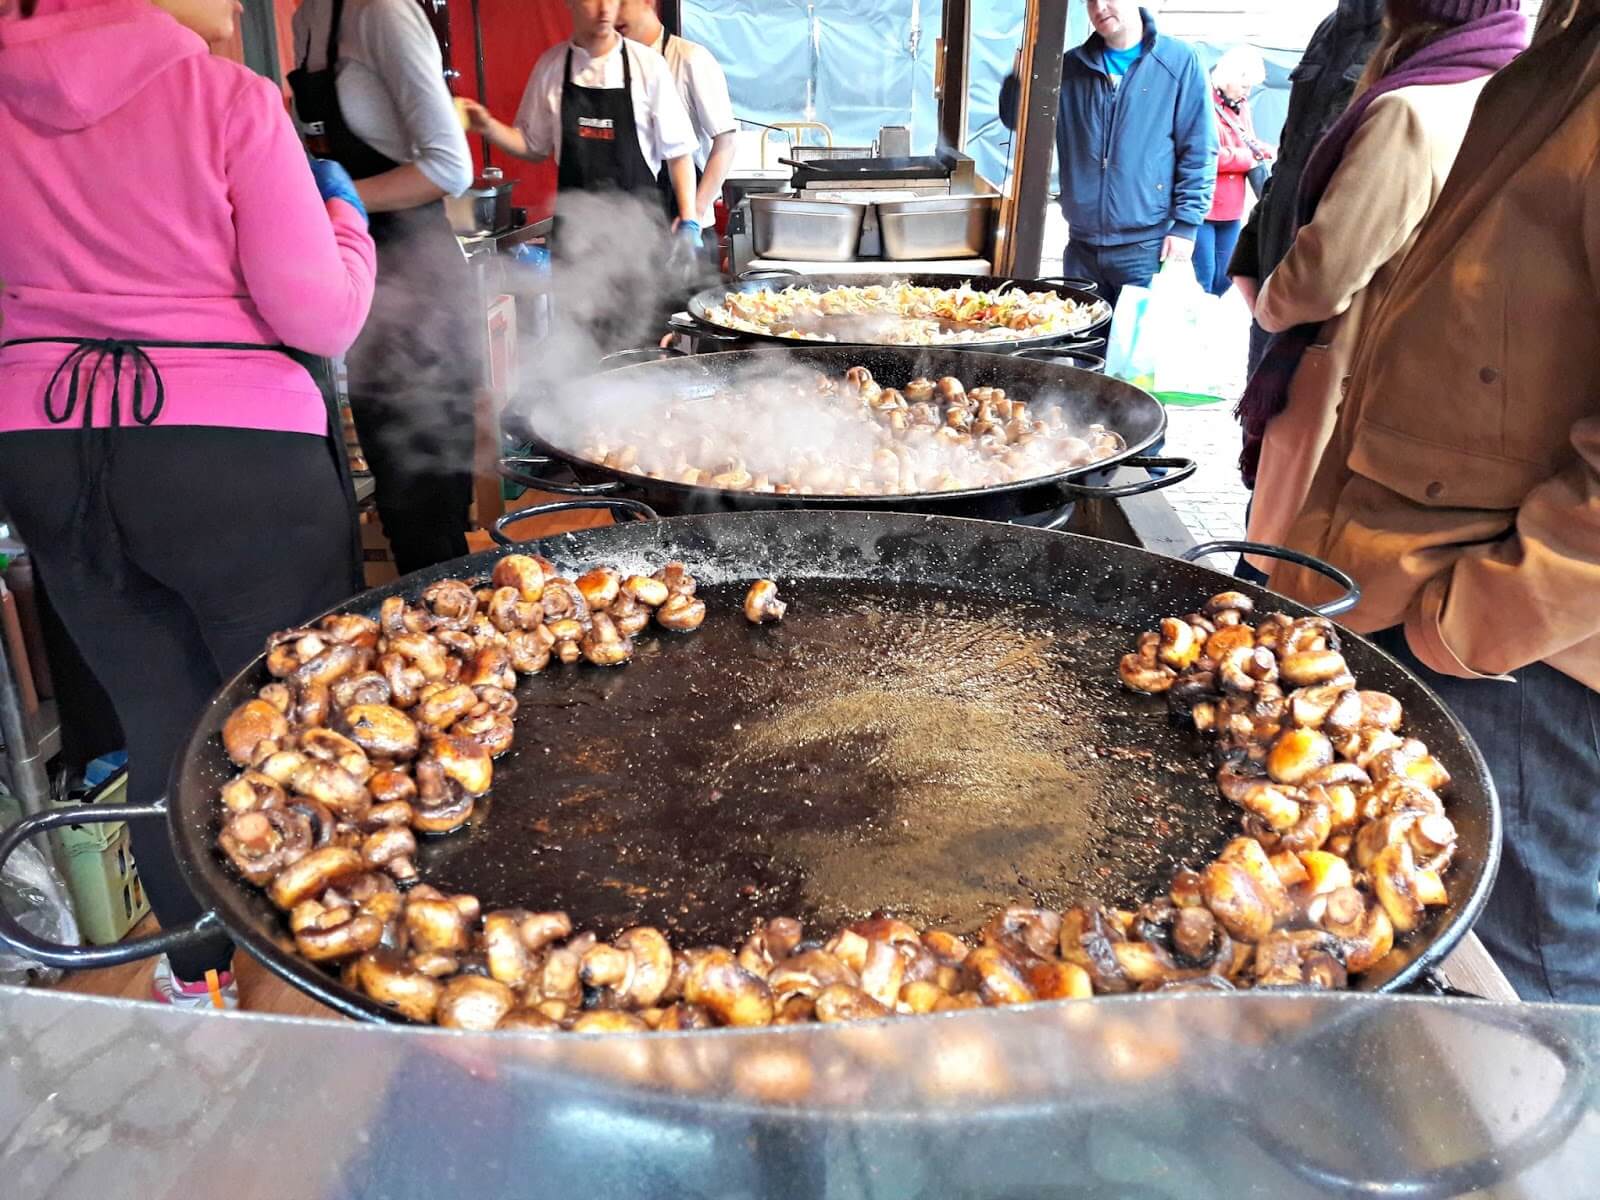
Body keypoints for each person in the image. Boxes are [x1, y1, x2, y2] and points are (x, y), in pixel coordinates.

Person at [0, 0, 375, 1006]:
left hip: (45, 445)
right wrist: (343, 221)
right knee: (302, 717)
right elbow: (320, 314)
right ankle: (332, 979)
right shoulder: (227, 100)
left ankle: (196, 983)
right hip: (232, 454)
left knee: (161, 719)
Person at [1268, 0, 1599, 1003]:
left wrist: (1473, 625)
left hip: (1522, 660)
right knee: (1415, 951)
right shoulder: (1560, 53)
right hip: (1427, 599)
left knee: (1520, 980)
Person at [1235, 0, 1528, 579]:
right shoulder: (1507, 91)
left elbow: (1321, 277)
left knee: (1281, 570)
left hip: (1340, 371)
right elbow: (1291, 158)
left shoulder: (1409, 111)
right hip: (1410, 388)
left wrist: (1269, 303)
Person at [290, 0, 478, 577]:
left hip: (421, 291)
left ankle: (447, 621)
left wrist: (336, 198)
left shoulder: (382, 13)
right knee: (399, 502)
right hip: (367, 285)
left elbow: (450, 167)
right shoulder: (307, 19)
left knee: (426, 508)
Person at [460, 0, 702, 351]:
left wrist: (690, 219)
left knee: (642, 350)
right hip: (576, 247)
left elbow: (679, 153)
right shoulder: (552, 67)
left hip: (639, 244)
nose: (604, 9)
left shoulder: (647, 65)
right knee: (580, 349)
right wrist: (488, 126)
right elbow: (532, 145)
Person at [1000, 1, 1216, 306]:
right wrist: (1018, 77)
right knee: (1085, 336)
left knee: (1137, 338)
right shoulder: (1069, 67)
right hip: (1081, 248)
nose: (1099, 7)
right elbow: (1017, 120)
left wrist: (1186, 225)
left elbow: (1199, 148)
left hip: (1148, 248)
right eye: (1090, 0)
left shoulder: (1179, 62)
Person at [1229, 0, 1386, 376]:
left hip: (1334, 316)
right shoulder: (1332, 27)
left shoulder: (1414, 33)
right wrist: (1249, 253)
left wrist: (1290, 296)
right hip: (1274, 281)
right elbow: (1290, 156)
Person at [615, 0, 737, 253]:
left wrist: (695, 215)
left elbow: (726, 143)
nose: (614, 15)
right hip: (633, 225)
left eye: (623, 3)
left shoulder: (690, 58)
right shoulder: (612, 66)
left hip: (685, 224)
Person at [1194, 46, 1270, 298]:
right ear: (1229, 77)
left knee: (1226, 280)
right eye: (1245, 86)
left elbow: (1248, 141)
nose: (1247, 92)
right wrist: (1248, 159)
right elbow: (1206, 155)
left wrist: (1267, 150)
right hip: (1205, 208)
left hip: (1232, 210)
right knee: (1204, 281)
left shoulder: (1241, 106)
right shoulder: (1203, 102)